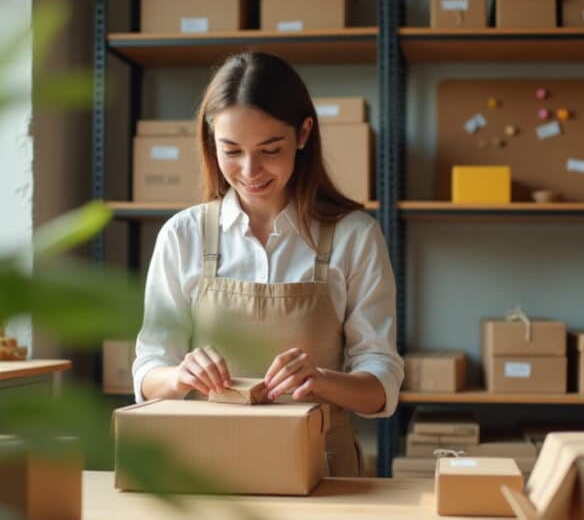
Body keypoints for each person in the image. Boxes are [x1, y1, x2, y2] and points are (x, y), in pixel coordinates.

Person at [132, 52, 402, 477]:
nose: (250, 170)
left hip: (322, 470)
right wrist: (181, 375)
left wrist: (323, 381)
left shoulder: (354, 236)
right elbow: (148, 372)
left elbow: (381, 386)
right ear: (210, 140)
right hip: (208, 471)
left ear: (303, 134)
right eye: (232, 150)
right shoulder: (182, 236)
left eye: (269, 149)